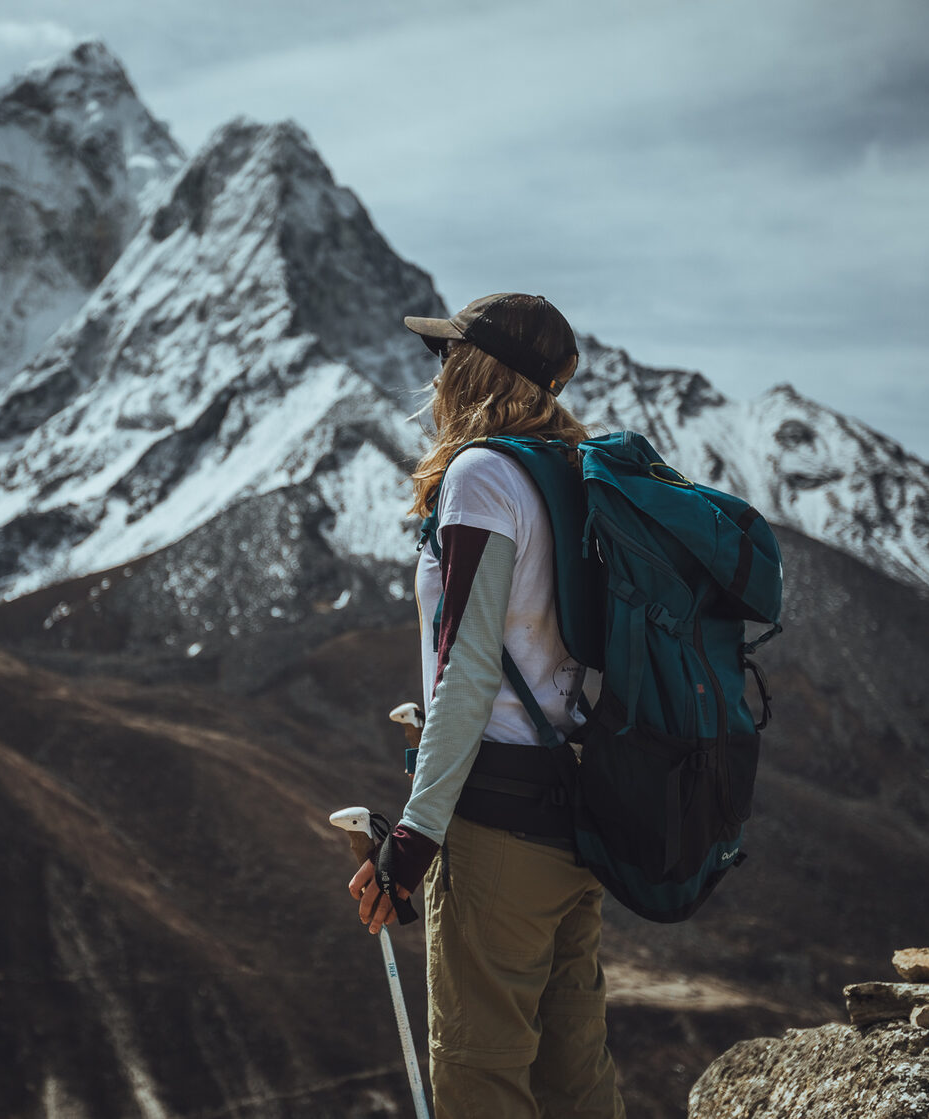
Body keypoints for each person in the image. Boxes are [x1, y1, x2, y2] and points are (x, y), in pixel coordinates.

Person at [349, 293, 627, 1119]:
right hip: (579, 820)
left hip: (498, 832)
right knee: (575, 1075)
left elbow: (470, 671)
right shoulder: (576, 474)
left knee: (480, 1079)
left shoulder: (482, 475)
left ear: (474, 368)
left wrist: (411, 842)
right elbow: (548, 651)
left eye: (447, 357)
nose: (436, 376)